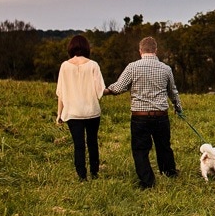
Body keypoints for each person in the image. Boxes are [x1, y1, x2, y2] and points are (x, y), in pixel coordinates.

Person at [104, 36, 183, 189]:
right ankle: (169, 173)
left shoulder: (132, 67)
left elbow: (118, 88)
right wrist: (178, 107)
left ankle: (147, 182)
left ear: (140, 50)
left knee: (140, 150)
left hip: (140, 117)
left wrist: (103, 91)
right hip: (161, 115)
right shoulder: (166, 68)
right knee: (164, 146)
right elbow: (172, 91)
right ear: (156, 50)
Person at [56, 34, 105, 182]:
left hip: (72, 112)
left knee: (78, 145)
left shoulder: (64, 66)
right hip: (92, 111)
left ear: (71, 47)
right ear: (86, 47)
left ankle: (82, 176)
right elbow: (100, 91)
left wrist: (59, 114)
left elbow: (61, 93)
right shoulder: (93, 65)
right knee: (92, 142)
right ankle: (95, 173)